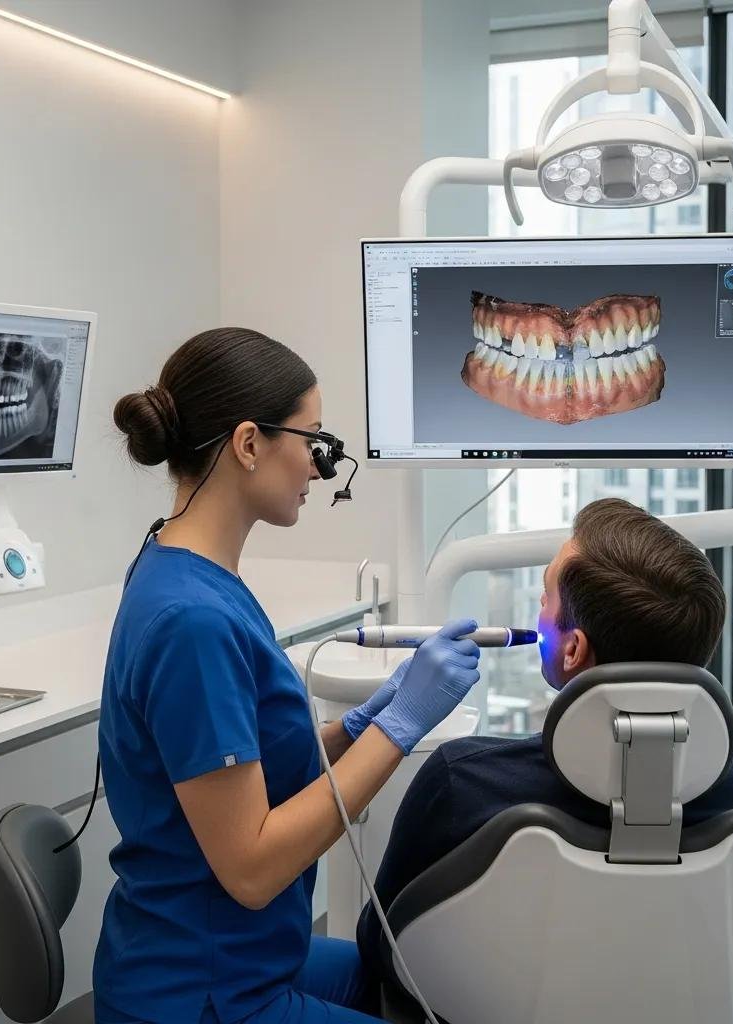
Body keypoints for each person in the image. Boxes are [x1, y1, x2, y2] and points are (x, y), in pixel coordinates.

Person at [94, 327, 483, 1024]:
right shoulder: (193, 621)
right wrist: (396, 731)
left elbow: (240, 766)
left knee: (414, 973)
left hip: (227, 950)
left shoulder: (187, 572)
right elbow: (251, 867)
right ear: (249, 444)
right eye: (313, 441)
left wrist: (346, 733)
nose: (319, 467)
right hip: (205, 991)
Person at [356, 497, 733, 983]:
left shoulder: (461, 779)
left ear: (572, 649)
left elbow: (380, 943)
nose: (538, 609)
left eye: (545, 597)